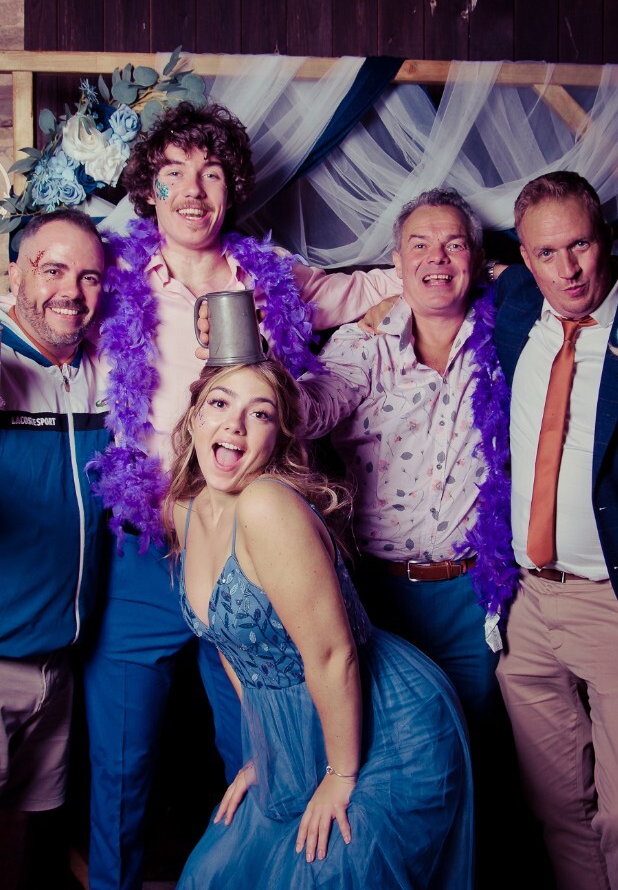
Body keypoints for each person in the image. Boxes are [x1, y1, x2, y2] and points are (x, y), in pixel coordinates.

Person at [83, 100, 402, 890]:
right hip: (143, 549)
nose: (194, 191)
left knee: (262, 751)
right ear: (147, 189)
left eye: (212, 173)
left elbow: (366, 291)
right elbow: (39, 314)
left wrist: (483, 276)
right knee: (121, 765)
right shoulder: (112, 281)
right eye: (174, 174)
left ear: (233, 189)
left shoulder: (271, 280)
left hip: (249, 554)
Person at [164, 359, 474, 890]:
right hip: (294, 739)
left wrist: (341, 775)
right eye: (219, 403)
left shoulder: (266, 505)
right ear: (193, 417)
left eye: (258, 414)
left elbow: (333, 656)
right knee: (212, 876)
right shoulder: (184, 509)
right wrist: (266, 753)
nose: (234, 425)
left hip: (383, 729)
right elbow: (230, 645)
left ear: (278, 439)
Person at [293, 189, 520, 885]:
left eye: (453, 244)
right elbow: (311, 410)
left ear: (477, 261)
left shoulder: (510, 334)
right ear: (396, 260)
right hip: (378, 598)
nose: (436, 259)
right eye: (419, 244)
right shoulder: (363, 343)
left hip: (472, 597)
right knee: (387, 771)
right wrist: (261, 370)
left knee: (475, 764)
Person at [494, 171, 618, 890]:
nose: (567, 270)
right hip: (528, 605)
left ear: (607, 240)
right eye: (547, 253)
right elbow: (422, 275)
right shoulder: (513, 302)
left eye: (581, 246)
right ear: (524, 260)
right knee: (557, 806)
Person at [0, 210, 109, 889]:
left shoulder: (104, 369)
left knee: (18, 840)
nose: (72, 290)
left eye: (89, 275)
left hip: (62, 664)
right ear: (14, 273)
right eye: (53, 269)